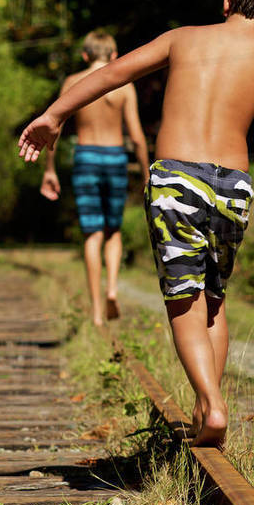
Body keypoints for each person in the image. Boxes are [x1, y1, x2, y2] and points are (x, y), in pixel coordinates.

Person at [18, 0, 254, 447]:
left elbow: (111, 74)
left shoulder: (182, 38)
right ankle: (207, 404)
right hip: (234, 186)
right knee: (213, 299)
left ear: (225, 0)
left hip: (176, 180)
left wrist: (55, 114)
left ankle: (211, 404)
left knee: (183, 299)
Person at [40, 31, 149, 327]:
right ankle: (112, 288)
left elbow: (55, 128)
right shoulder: (124, 86)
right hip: (114, 157)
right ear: (114, 56)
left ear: (85, 55)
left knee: (92, 233)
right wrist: (146, 172)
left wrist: (49, 169)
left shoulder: (72, 82)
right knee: (113, 230)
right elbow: (136, 136)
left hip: (86, 156)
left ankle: (97, 312)